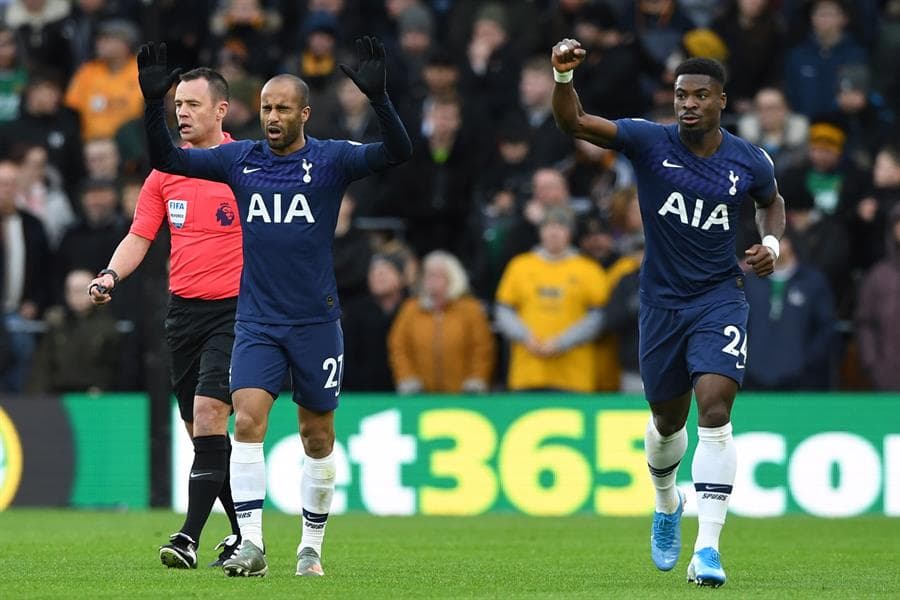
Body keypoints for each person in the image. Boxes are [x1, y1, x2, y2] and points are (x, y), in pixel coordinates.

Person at [136, 38, 411, 577]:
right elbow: (167, 159)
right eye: (265, 107)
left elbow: (397, 152)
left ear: (304, 113)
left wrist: (380, 99)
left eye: (283, 108)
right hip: (257, 320)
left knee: (317, 435)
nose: (273, 117)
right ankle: (253, 545)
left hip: (315, 321)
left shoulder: (331, 160)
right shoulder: (240, 160)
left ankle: (311, 544)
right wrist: (153, 104)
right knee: (248, 423)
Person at [551, 41, 785, 587]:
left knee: (715, 408)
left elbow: (771, 201)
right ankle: (665, 502)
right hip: (660, 304)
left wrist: (770, 244)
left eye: (701, 95)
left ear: (721, 101)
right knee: (665, 421)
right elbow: (576, 123)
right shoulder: (648, 139)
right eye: (681, 95)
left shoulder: (749, 159)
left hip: (719, 297)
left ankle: (707, 549)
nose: (689, 104)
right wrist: (562, 77)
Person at [88, 67, 243, 570]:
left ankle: (188, 537)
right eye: (178, 104)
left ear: (221, 110)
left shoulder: (244, 165)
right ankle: (244, 536)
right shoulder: (163, 173)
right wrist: (111, 275)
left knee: (207, 416)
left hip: (236, 312)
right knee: (202, 434)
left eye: (193, 104)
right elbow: (139, 237)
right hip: (184, 313)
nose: (182, 112)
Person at [388, 250, 495, 394]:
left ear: (452, 277)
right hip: (419, 395)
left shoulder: (470, 309)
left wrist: (477, 379)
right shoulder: (411, 310)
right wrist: (407, 378)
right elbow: (398, 347)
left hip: (463, 395)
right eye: (428, 275)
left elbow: (482, 348)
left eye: (438, 275)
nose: (431, 280)